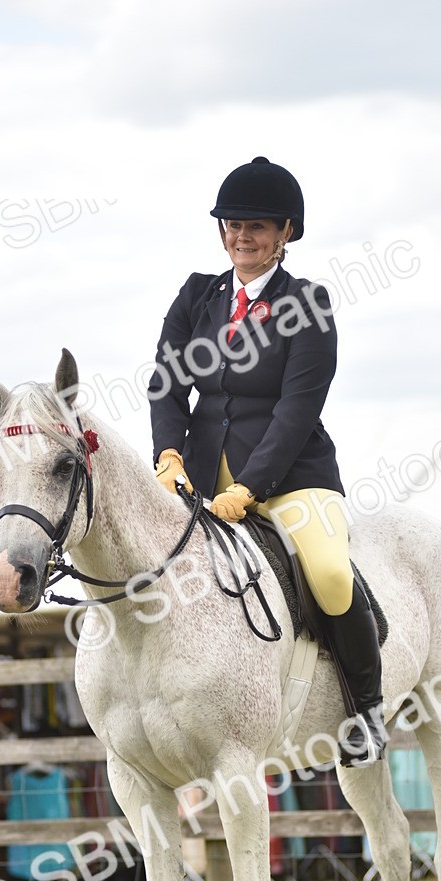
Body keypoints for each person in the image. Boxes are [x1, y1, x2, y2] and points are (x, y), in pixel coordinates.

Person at [148, 156, 385, 765]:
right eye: (231, 224)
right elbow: (167, 384)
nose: (241, 236)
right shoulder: (197, 295)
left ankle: (366, 709)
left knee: (330, 572)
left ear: (285, 233)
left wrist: (252, 486)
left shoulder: (308, 303)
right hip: (199, 474)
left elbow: (298, 407)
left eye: (256, 226)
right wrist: (169, 452)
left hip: (292, 475)